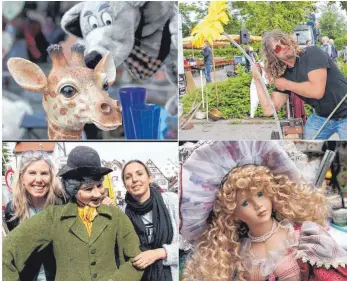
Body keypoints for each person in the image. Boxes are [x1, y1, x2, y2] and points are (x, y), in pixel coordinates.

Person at [180, 141, 347, 281]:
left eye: (260, 194)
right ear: (232, 213)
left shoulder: (304, 236)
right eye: (245, 203)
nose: (258, 205)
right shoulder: (236, 255)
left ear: (272, 191)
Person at [3, 146, 143, 281]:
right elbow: (6, 251)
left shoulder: (116, 216)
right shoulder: (53, 216)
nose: (97, 193)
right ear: (74, 190)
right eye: (88, 189)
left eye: (99, 186)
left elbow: (136, 259)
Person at [251, 30, 347, 139]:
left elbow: (317, 91)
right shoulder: (285, 75)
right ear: (273, 55)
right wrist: (257, 79)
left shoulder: (312, 53)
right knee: (306, 150)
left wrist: (287, 84)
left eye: (284, 42)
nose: (283, 47)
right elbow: (269, 109)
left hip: (345, 113)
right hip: (322, 116)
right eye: (277, 48)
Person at [4, 150, 66, 281]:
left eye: (44, 173)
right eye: (32, 173)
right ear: (22, 178)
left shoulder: (63, 204)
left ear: (51, 176)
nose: (38, 180)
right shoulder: (13, 210)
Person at [122, 160, 178, 281]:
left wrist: (159, 253)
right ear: (125, 184)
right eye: (128, 177)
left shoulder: (171, 202)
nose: (135, 179)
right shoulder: (122, 214)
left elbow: (188, 244)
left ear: (149, 178)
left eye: (139, 174)